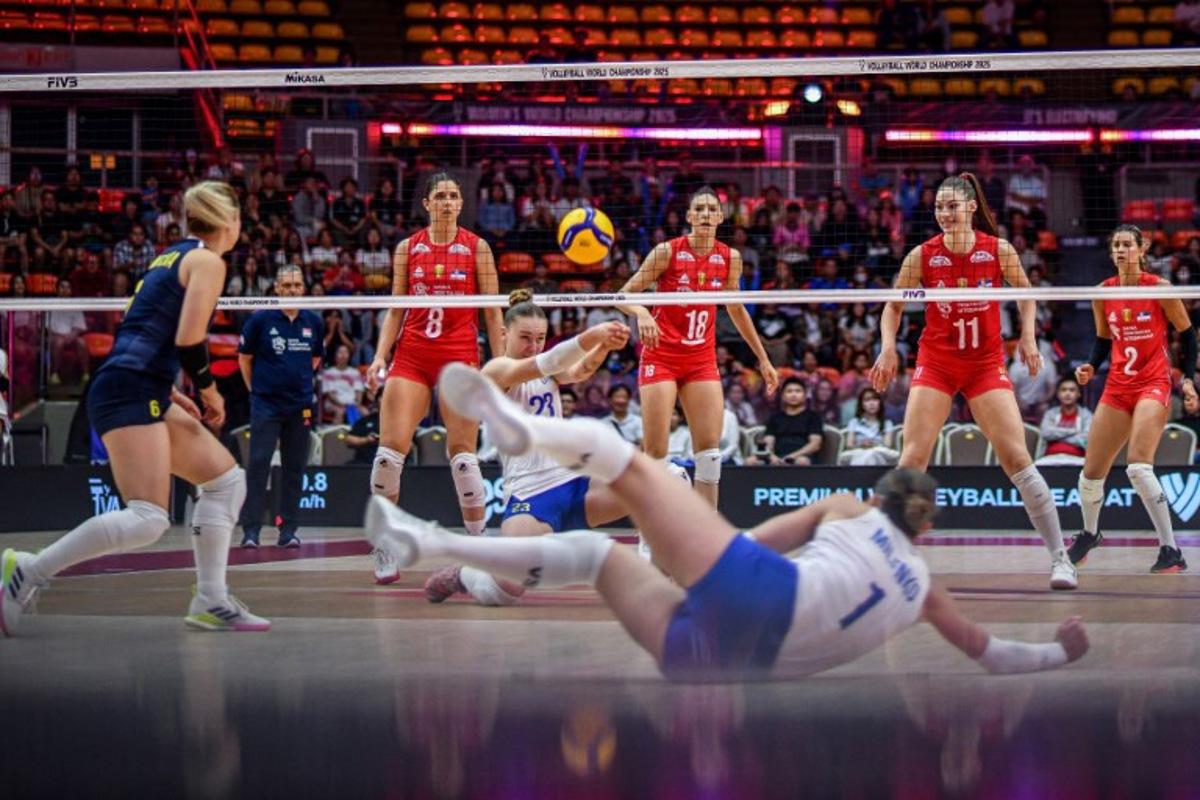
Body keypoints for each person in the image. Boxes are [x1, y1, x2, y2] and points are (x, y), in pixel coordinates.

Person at [366, 364, 1090, 681]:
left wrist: (695, 557)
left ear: (877, 502)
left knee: (640, 466)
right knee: (593, 555)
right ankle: (441, 545)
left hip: (755, 591)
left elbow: (758, 543)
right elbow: (992, 653)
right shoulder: (927, 586)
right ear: (923, 533)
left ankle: (509, 444)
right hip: (722, 665)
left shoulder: (848, 508)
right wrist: (1059, 653)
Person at [1, 181, 270, 637]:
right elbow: (188, 339)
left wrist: (171, 390)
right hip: (130, 387)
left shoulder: (171, 256)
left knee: (225, 481)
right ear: (230, 223)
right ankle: (28, 570)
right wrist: (209, 391)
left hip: (141, 383)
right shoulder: (207, 261)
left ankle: (211, 600)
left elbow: (145, 331)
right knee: (148, 517)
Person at [871, 172, 1078, 590]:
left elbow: (1026, 293)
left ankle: (1061, 559)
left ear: (969, 207)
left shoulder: (997, 250)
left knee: (1018, 460)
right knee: (912, 459)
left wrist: (1028, 337)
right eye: (938, 207)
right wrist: (888, 347)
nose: (944, 214)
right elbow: (892, 307)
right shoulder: (922, 255)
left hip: (985, 364)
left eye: (952, 206)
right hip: (938, 362)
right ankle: (889, 560)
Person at [423, 290, 636, 605]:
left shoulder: (548, 368)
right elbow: (551, 361)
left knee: (658, 483)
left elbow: (580, 370)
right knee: (506, 590)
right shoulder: (496, 371)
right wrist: (594, 333)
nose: (533, 346)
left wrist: (604, 345)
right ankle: (466, 573)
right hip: (530, 491)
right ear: (503, 334)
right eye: (525, 337)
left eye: (540, 338)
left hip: (574, 482)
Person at [365, 172, 504, 584]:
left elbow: (494, 311)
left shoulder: (478, 249)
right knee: (390, 454)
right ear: (426, 204)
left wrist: (501, 369)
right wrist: (378, 358)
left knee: (463, 457)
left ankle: (478, 547)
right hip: (412, 356)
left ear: (461, 204)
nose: (447, 202)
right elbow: (395, 309)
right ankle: (384, 545)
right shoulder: (408, 248)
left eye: (453, 196)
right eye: (439, 196)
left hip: (459, 357)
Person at [618, 187, 779, 506]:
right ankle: (652, 536)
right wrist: (641, 313)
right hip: (661, 356)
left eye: (711, 210)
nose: (705, 214)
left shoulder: (730, 258)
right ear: (690, 217)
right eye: (699, 209)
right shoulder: (667, 252)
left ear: (720, 217)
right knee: (656, 453)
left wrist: (763, 359)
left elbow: (736, 309)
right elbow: (624, 294)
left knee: (710, 455)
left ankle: (706, 539)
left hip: (700, 359)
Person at [1068, 224, 1196, 574]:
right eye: (1116, 246)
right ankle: (1090, 533)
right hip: (1117, 386)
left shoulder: (1161, 289)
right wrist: (1090, 367)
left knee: (1139, 466)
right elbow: (1102, 340)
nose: (1121, 251)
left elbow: (1187, 335)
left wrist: (1187, 380)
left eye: (1127, 245)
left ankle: (1171, 549)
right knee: (1090, 475)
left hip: (1152, 384)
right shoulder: (1103, 292)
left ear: (1142, 249)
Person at [235, 264, 324, 548]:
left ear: (303, 288)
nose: (292, 290)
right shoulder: (260, 320)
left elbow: (315, 360)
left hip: (300, 406)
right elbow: (244, 359)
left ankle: (288, 530)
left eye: (297, 285)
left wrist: (297, 382)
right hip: (266, 405)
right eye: (286, 286)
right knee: (259, 464)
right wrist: (257, 392)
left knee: (294, 467)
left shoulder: (313, 322)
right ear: (276, 288)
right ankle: (251, 530)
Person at [745, 378, 823, 466]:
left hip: (801, 456)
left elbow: (815, 445)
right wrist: (772, 456)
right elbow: (768, 442)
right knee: (750, 461)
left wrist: (792, 456)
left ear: (805, 395)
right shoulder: (775, 418)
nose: (794, 395)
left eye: (798, 391)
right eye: (789, 391)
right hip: (776, 456)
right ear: (783, 396)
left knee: (802, 461)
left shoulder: (813, 417)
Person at [1036, 377, 1092, 466]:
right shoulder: (1051, 414)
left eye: (1072, 390)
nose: (1067, 393)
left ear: (1078, 394)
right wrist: (1074, 431)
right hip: (1049, 459)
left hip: (1078, 460)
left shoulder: (1086, 415)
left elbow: (1085, 439)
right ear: (1058, 394)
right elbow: (1046, 433)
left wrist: (1056, 437)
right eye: (1064, 390)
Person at [840, 387, 899, 466]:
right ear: (862, 404)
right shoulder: (854, 422)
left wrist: (873, 444)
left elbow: (887, 445)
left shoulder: (887, 423)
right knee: (866, 455)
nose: (872, 403)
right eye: (867, 400)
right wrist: (862, 444)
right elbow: (850, 445)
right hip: (859, 450)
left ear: (880, 403)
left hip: (879, 451)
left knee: (874, 453)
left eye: (875, 399)